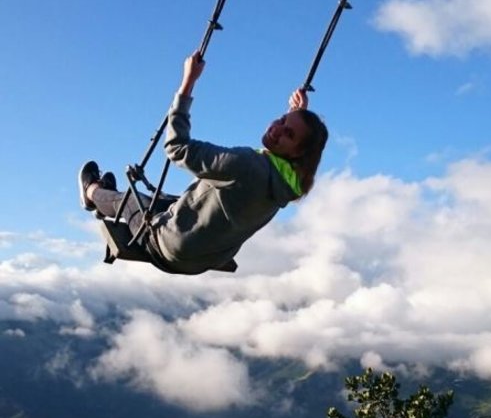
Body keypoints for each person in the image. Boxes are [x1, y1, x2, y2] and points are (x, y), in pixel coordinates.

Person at [78, 51, 328, 275]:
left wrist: (187, 83)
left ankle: (92, 193)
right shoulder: (287, 184)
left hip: (168, 247)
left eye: (289, 134)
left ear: (297, 153)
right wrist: (298, 115)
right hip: (205, 258)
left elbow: (177, 149)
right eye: (282, 120)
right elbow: (271, 162)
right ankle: (105, 199)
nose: (277, 129)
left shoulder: (246, 164)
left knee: (130, 200)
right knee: (169, 202)